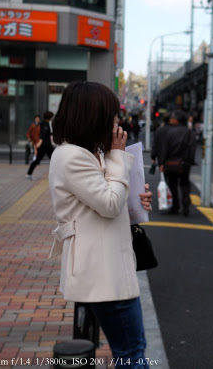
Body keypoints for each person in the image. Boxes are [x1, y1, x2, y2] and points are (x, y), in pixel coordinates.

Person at [48, 81, 153, 368]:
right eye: (111, 114)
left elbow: (110, 202)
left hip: (106, 265)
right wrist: (118, 157)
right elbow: (108, 204)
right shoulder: (72, 156)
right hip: (102, 270)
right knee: (131, 352)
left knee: (130, 350)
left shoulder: (90, 151)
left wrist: (136, 201)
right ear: (93, 115)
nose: (117, 121)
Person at [151, 110, 196, 216]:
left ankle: (175, 207)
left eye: (173, 118)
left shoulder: (170, 132)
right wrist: (189, 160)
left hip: (171, 163)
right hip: (185, 163)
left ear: (176, 120)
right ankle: (186, 206)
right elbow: (192, 148)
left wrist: (162, 162)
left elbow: (165, 149)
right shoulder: (188, 132)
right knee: (184, 184)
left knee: (172, 184)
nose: (171, 119)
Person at [26, 111, 54, 179]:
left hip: (45, 145)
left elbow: (47, 133)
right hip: (45, 145)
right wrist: (39, 142)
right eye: (52, 116)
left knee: (39, 159)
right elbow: (43, 134)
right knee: (53, 159)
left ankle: (29, 173)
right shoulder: (45, 124)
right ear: (50, 117)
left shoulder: (44, 123)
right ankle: (29, 173)